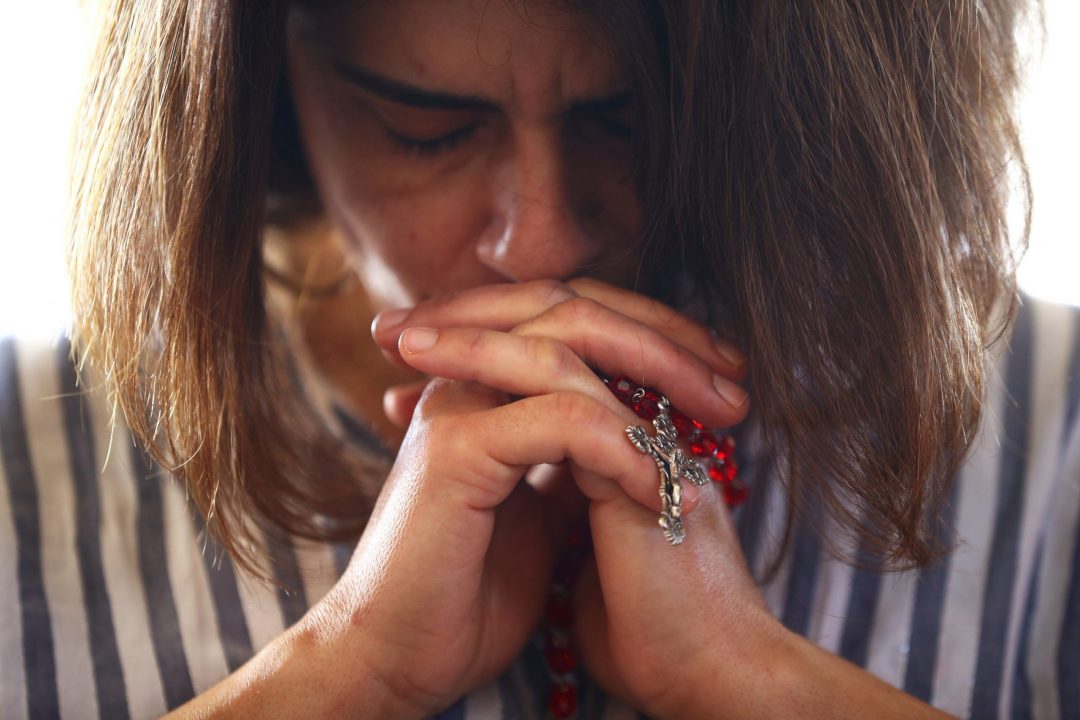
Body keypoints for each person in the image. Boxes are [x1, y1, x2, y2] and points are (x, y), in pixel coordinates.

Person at [2, 0, 1077, 718]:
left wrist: (761, 684)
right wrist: (347, 670)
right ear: (260, 91)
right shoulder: (21, 468)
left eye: (634, 121)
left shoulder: (1057, 428)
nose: (546, 241)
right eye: (424, 129)